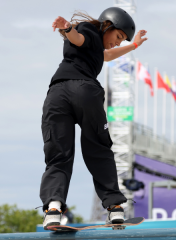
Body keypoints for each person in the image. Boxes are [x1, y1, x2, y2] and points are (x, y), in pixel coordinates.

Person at [40, 7, 148, 229]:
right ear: (107, 26)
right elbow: (78, 38)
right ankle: (115, 208)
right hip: (84, 92)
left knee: (58, 154)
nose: (117, 43)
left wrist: (134, 45)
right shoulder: (89, 30)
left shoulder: (97, 46)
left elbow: (106, 55)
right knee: (98, 148)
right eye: (118, 37)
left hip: (57, 95)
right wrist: (68, 28)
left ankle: (53, 209)